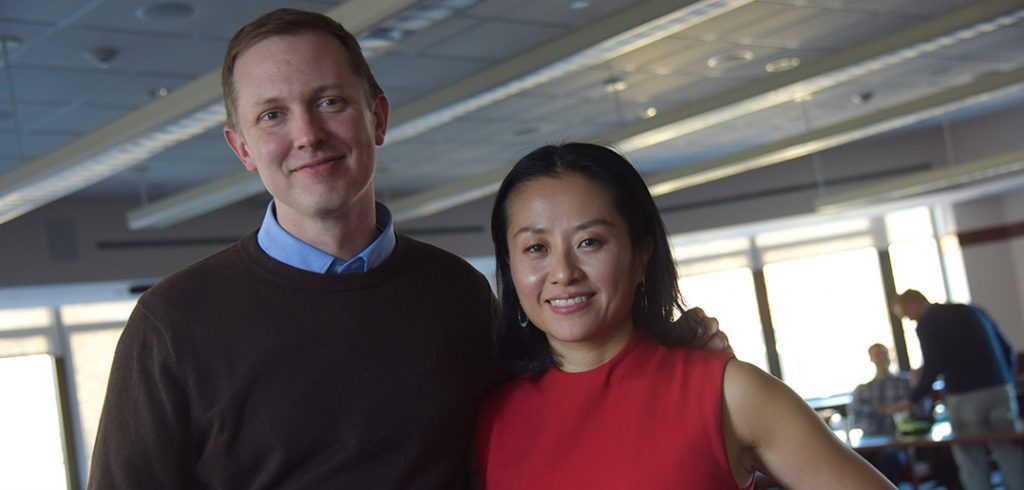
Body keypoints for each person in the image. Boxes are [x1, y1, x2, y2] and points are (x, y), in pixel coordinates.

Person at [87, 9, 725, 489]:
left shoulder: (459, 294)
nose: (307, 134)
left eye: (329, 102)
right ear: (243, 148)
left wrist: (674, 356)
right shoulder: (173, 326)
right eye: (272, 116)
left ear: (378, 118)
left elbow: (566, 401)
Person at [475, 142, 895, 489]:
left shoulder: (729, 393)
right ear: (510, 269)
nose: (564, 272)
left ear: (641, 255)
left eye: (590, 242)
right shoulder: (491, 418)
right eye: (536, 248)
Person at [893, 289, 1024, 490]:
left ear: (913, 304)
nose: (909, 320)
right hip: (1000, 389)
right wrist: (1008, 382)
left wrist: (913, 398)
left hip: (966, 396)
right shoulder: (973, 310)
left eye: (905, 314)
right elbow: (1007, 349)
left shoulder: (927, 322)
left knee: (971, 457)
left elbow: (934, 364)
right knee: (1009, 451)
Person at [848, 343, 923, 483]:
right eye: (877, 355)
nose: (881, 358)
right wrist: (886, 410)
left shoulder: (905, 382)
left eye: (884, 354)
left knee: (888, 460)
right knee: (854, 462)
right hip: (871, 442)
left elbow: (919, 410)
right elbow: (856, 417)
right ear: (871, 359)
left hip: (900, 442)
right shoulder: (863, 389)